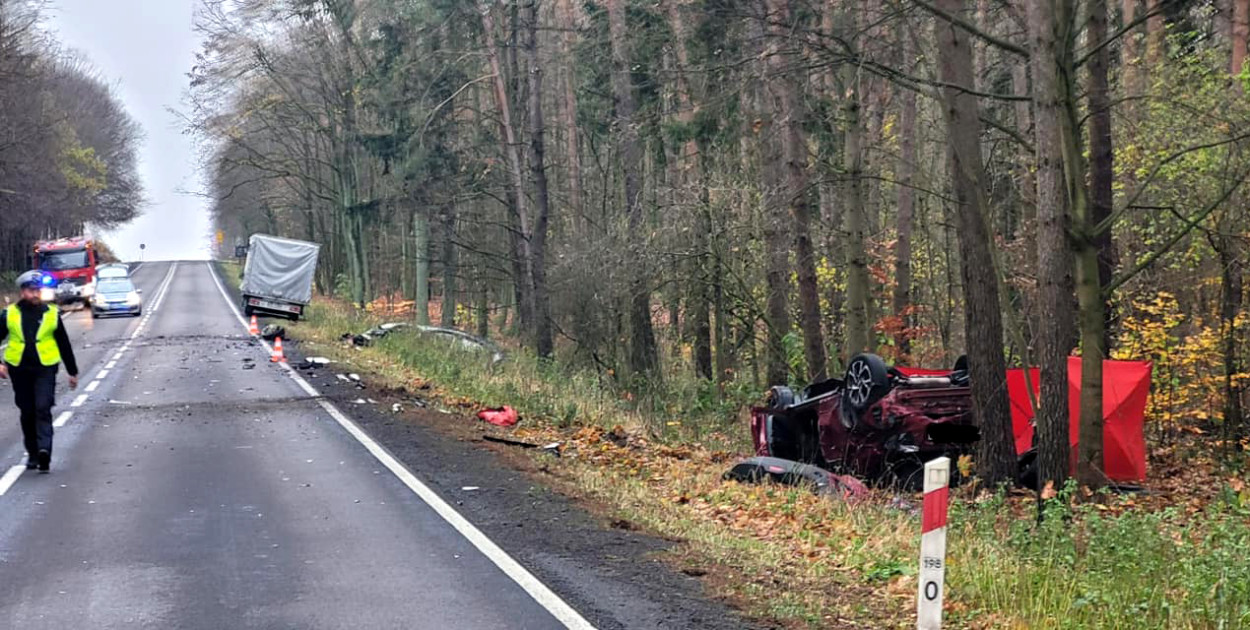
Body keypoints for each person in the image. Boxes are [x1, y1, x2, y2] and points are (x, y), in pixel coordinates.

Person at [0, 271, 78, 472]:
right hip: (19, 369)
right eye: (30, 291)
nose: (35, 294)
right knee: (27, 411)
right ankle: (33, 453)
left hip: (45, 368)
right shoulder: (9, 313)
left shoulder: (51, 313)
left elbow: (63, 342)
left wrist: (72, 371)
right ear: (22, 292)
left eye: (37, 291)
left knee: (42, 407)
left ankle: (45, 451)